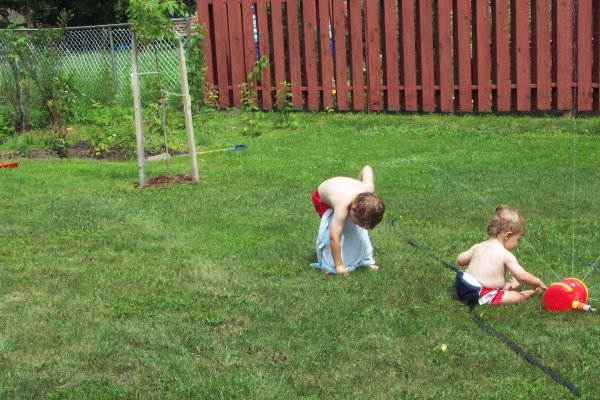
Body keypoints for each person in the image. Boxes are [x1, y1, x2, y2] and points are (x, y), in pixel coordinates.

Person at [455, 205, 547, 306]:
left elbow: (460, 260)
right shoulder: (505, 254)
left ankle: (510, 286)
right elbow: (522, 276)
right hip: (478, 293)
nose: (517, 244)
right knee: (517, 297)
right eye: (517, 239)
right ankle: (530, 293)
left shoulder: (478, 246)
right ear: (507, 236)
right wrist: (537, 282)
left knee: (496, 285)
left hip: (461, 285)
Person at [311, 166, 385, 275]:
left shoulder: (369, 189)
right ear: (353, 209)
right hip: (321, 199)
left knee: (354, 229)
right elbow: (333, 237)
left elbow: (367, 168)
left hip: (341, 191)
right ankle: (328, 264)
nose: (359, 225)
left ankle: (363, 259)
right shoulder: (342, 205)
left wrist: (358, 182)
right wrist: (339, 266)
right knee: (342, 227)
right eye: (359, 223)